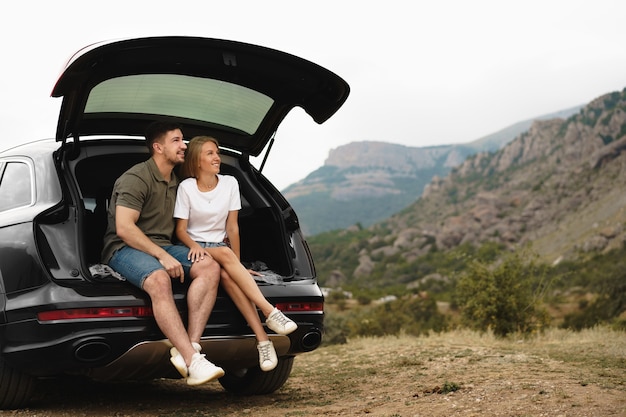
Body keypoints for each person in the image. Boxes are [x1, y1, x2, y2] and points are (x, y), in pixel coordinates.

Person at [101, 121, 225, 386]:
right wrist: (163, 256)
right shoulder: (136, 178)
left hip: (164, 245)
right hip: (124, 249)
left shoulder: (179, 181)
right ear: (158, 147)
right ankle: (193, 360)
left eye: (184, 140)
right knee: (159, 279)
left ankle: (190, 348)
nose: (184, 146)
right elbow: (124, 228)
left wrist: (224, 254)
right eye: (177, 140)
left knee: (210, 267)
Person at [174, 135, 298, 372]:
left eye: (217, 152)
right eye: (210, 153)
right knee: (226, 258)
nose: (217, 157)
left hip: (221, 249)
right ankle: (269, 312)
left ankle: (263, 340)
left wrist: (237, 265)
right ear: (197, 160)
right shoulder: (186, 187)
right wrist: (194, 246)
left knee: (230, 276)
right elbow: (180, 230)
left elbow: (232, 227)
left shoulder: (230, 183)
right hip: (194, 249)